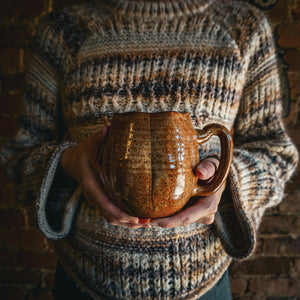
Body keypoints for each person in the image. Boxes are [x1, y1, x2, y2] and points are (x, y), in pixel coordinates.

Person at [0, 0, 298, 299]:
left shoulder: (243, 28)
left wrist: (227, 180)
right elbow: (20, 157)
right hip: (85, 282)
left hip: (203, 285)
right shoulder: (66, 30)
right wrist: (67, 162)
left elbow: (274, 154)